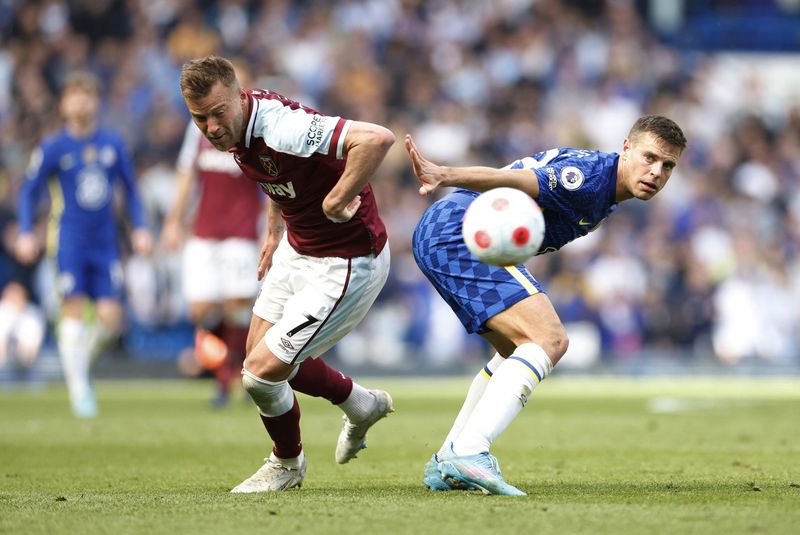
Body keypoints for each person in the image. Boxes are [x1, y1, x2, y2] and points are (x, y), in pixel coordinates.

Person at [406, 115, 687, 495]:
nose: (656, 172)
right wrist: (447, 174)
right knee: (550, 339)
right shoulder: (590, 178)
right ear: (626, 148)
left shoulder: (605, 190)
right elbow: (520, 182)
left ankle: (446, 461)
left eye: (667, 165)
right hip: (458, 231)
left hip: (450, 232)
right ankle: (469, 451)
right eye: (649, 157)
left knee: (514, 350)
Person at [179, 55, 395, 493]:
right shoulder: (237, 133)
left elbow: (376, 139)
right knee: (260, 362)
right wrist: (274, 231)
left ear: (239, 97)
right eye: (200, 118)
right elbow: (279, 175)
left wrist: (336, 200)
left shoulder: (281, 126)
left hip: (346, 260)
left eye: (218, 113)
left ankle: (287, 464)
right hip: (298, 248)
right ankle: (361, 404)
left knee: (262, 371)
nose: (212, 127)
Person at [16, 71, 152, 418]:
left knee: (111, 320)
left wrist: (139, 227)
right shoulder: (53, 147)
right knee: (73, 310)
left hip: (105, 242)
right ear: (63, 105)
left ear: (96, 102)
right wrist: (26, 230)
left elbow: (132, 191)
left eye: (88, 95)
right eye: (75, 96)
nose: (82, 102)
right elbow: (29, 192)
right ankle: (79, 390)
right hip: (69, 240)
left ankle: (76, 369)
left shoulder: (112, 144)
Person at [162, 61, 264, 408]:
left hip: (240, 232)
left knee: (237, 305)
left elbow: (272, 186)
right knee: (200, 311)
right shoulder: (201, 129)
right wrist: (173, 221)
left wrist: (272, 232)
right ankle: (236, 365)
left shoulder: (254, 131)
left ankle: (227, 382)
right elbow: (186, 174)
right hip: (204, 230)